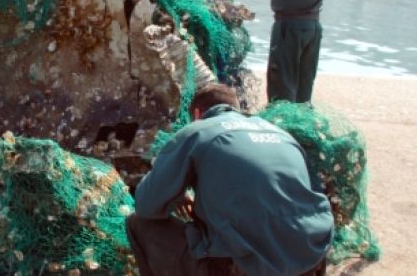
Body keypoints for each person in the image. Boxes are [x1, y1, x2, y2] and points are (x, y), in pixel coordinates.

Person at [127, 83, 333, 276]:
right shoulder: (281, 133)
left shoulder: (198, 131)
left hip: (247, 268)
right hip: (311, 258)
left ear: (198, 114)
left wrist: (173, 195)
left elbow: (146, 205)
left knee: (138, 224)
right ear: (236, 109)